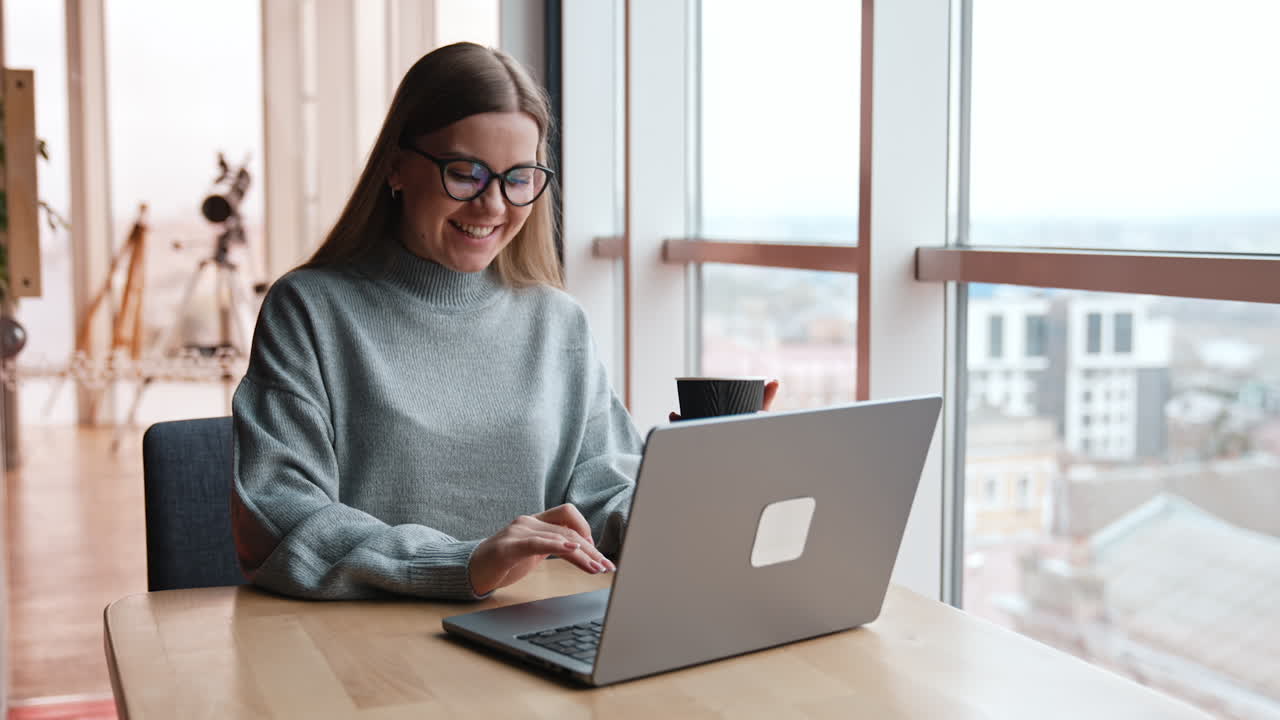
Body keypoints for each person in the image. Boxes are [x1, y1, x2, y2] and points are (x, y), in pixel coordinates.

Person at [231, 42, 776, 602]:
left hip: (522, 632)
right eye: (465, 173)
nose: (493, 206)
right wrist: (462, 563)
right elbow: (278, 518)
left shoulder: (558, 323)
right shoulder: (310, 310)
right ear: (396, 165)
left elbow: (607, 495)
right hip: (360, 654)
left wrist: (702, 479)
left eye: (519, 178)